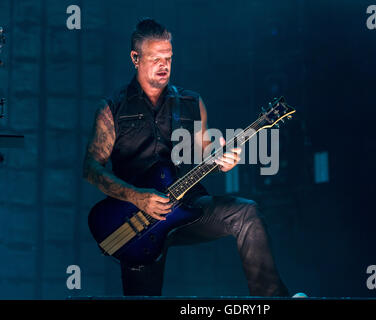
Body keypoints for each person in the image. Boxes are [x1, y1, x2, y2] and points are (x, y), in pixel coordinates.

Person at [82, 18, 290, 297]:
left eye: (168, 58)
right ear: (135, 58)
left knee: (246, 213)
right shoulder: (112, 107)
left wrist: (222, 162)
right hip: (135, 222)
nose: (164, 65)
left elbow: (204, 155)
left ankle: (271, 298)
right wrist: (137, 197)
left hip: (188, 205)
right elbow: (92, 168)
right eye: (155, 58)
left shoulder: (191, 103)